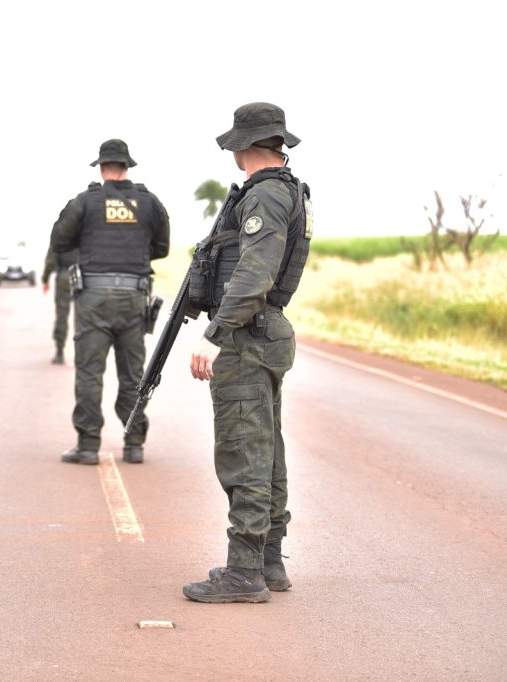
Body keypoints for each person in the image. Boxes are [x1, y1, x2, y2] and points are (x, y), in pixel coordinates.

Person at [182, 103, 312, 603]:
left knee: (244, 456)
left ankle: (243, 574)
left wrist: (215, 333)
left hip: (246, 336)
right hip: (265, 331)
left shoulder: (266, 197)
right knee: (265, 450)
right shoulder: (286, 191)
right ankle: (269, 561)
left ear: (243, 146)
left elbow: (254, 273)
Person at [50, 139, 170, 465]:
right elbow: (161, 248)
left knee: (90, 372)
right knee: (133, 375)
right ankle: (134, 444)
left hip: (94, 299)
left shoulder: (86, 202)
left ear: (102, 168)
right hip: (134, 297)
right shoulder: (149, 202)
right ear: (127, 166)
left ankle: (88, 446)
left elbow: (59, 240)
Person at [41, 245, 79, 364]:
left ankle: (59, 352)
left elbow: (50, 261)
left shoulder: (61, 233)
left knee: (62, 316)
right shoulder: (85, 230)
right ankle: (81, 354)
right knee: (82, 317)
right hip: (81, 277)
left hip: (64, 275)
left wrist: (45, 279)